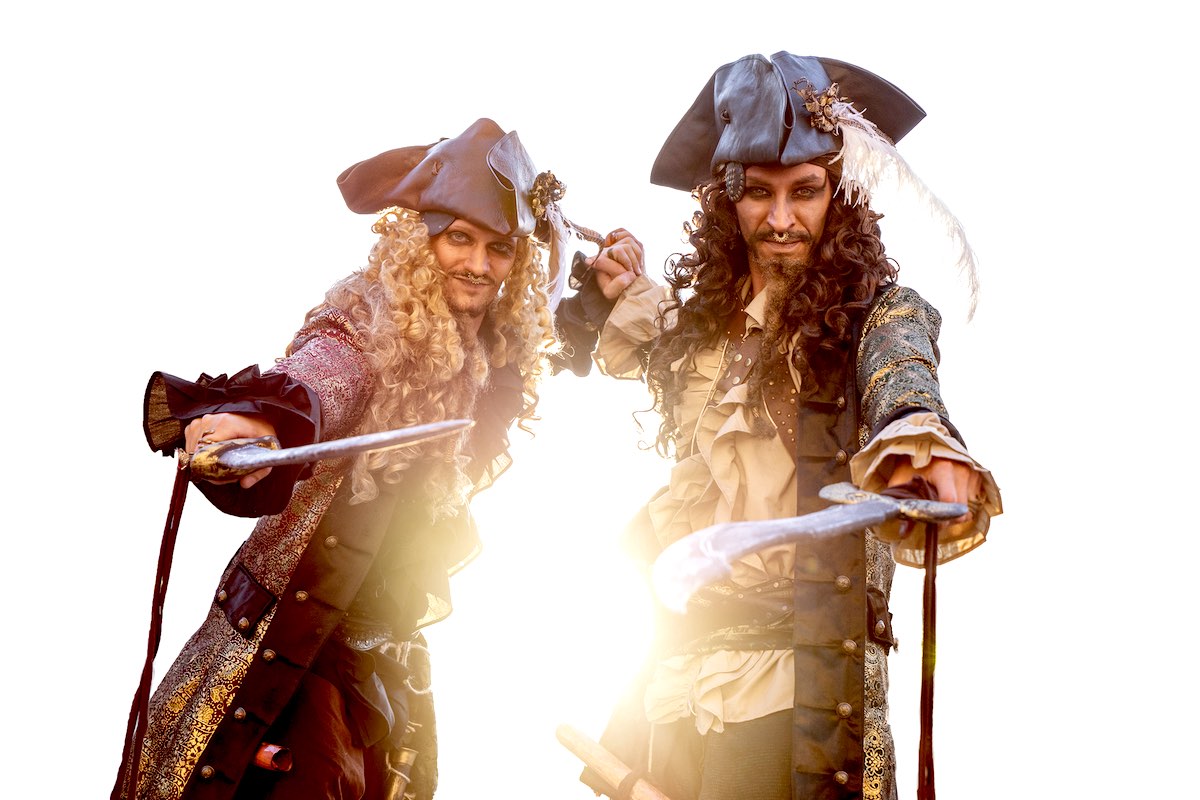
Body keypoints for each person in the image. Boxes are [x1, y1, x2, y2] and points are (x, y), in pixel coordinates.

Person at [112, 117, 643, 800]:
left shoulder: (488, 341)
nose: (478, 266)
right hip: (292, 653)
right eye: (459, 238)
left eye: (499, 249)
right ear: (421, 238)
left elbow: (522, 356)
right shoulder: (369, 323)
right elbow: (318, 380)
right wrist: (256, 422)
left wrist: (592, 300)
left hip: (383, 661)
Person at [578, 53, 1003, 800]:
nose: (780, 221)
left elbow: (902, 375)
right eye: (758, 194)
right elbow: (631, 328)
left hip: (791, 692)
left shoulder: (878, 317)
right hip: (670, 691)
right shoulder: (699, 332)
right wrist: (614, 279)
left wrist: (920, 441)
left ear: (839, 194)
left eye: (804, 192)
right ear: (726, 200)